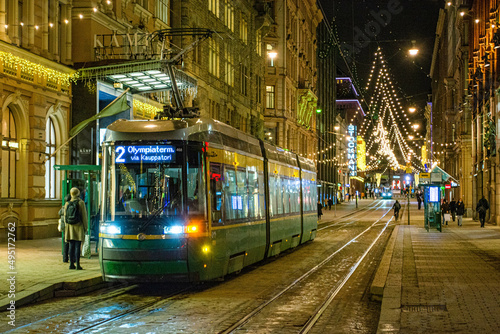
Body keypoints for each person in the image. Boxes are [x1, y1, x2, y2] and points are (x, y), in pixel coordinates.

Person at [64, 187, 88, 270]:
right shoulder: (81, 203)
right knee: (78, 246)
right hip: (78, 226)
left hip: (70, 228)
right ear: (78, 193)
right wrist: (85, 227)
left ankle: (71, 264)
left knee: (71, 246)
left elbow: (65, 217)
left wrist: (67, 227)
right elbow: (84, 216)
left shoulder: (67, 203)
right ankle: (78, 264)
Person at [58, 194, 72, 263]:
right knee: (71, 242)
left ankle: (65, 258)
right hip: (69, 227)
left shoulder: (63, 207)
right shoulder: (70, 207)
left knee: (65, 242)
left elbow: (59, 213)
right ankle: (71, 257)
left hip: (64, 228)